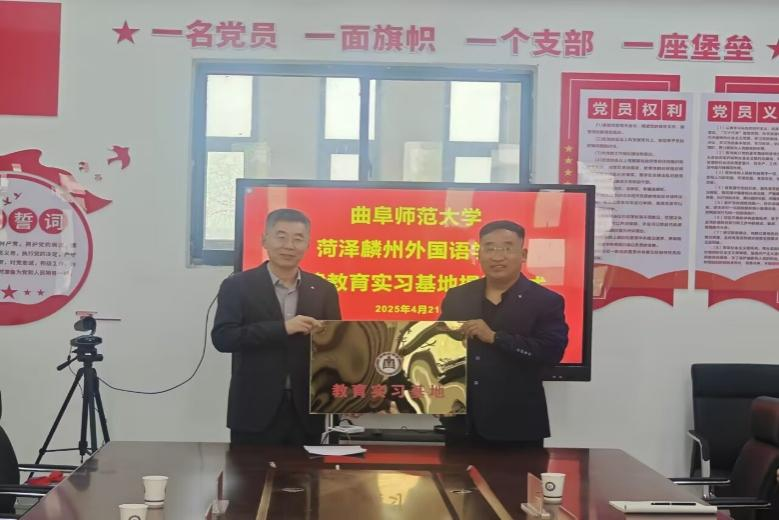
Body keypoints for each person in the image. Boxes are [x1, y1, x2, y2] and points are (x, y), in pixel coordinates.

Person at [211, 208, 341, 445]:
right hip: (253, 410)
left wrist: (347, 398)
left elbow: (336, 349)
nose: (289, 246)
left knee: (306, 470)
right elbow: (223, 338)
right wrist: (282, 329)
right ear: (265, 240)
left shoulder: (324, 290)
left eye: (298, 239)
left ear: (308, 244)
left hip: (306, 412)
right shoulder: (237, 285)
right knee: (249, 471)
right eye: (281, 237)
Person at [439, 220, 568, 448]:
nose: (497, 257)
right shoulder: (458, 296)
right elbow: (438, 349)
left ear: (523, 255)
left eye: (507, 248)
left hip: (518, 426)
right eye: (489, 248)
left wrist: (495, 338)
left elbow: (551, 352)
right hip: (461, 424)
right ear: (479, 254)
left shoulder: (546, 301)